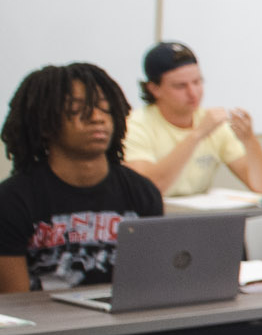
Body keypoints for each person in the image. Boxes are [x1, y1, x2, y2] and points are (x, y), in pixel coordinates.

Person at [0, 63, 163, 293]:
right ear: (46, 123)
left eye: (104, 108)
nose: (97, 118)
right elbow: (15, 304)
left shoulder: (141, 192)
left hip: (122, 322)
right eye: (78, 110)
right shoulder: (12, 201)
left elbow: (151, 285)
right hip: (49, 324)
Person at [122, 42, 262, 197]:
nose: (193, 93)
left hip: (195, 218)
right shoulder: (135, 125)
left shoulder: (213, 124)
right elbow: (146, 190)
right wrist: (197, 135)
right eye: (180, 86)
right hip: (152, 218)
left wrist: (249, 140)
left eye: (197, 82)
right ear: (154, 89)